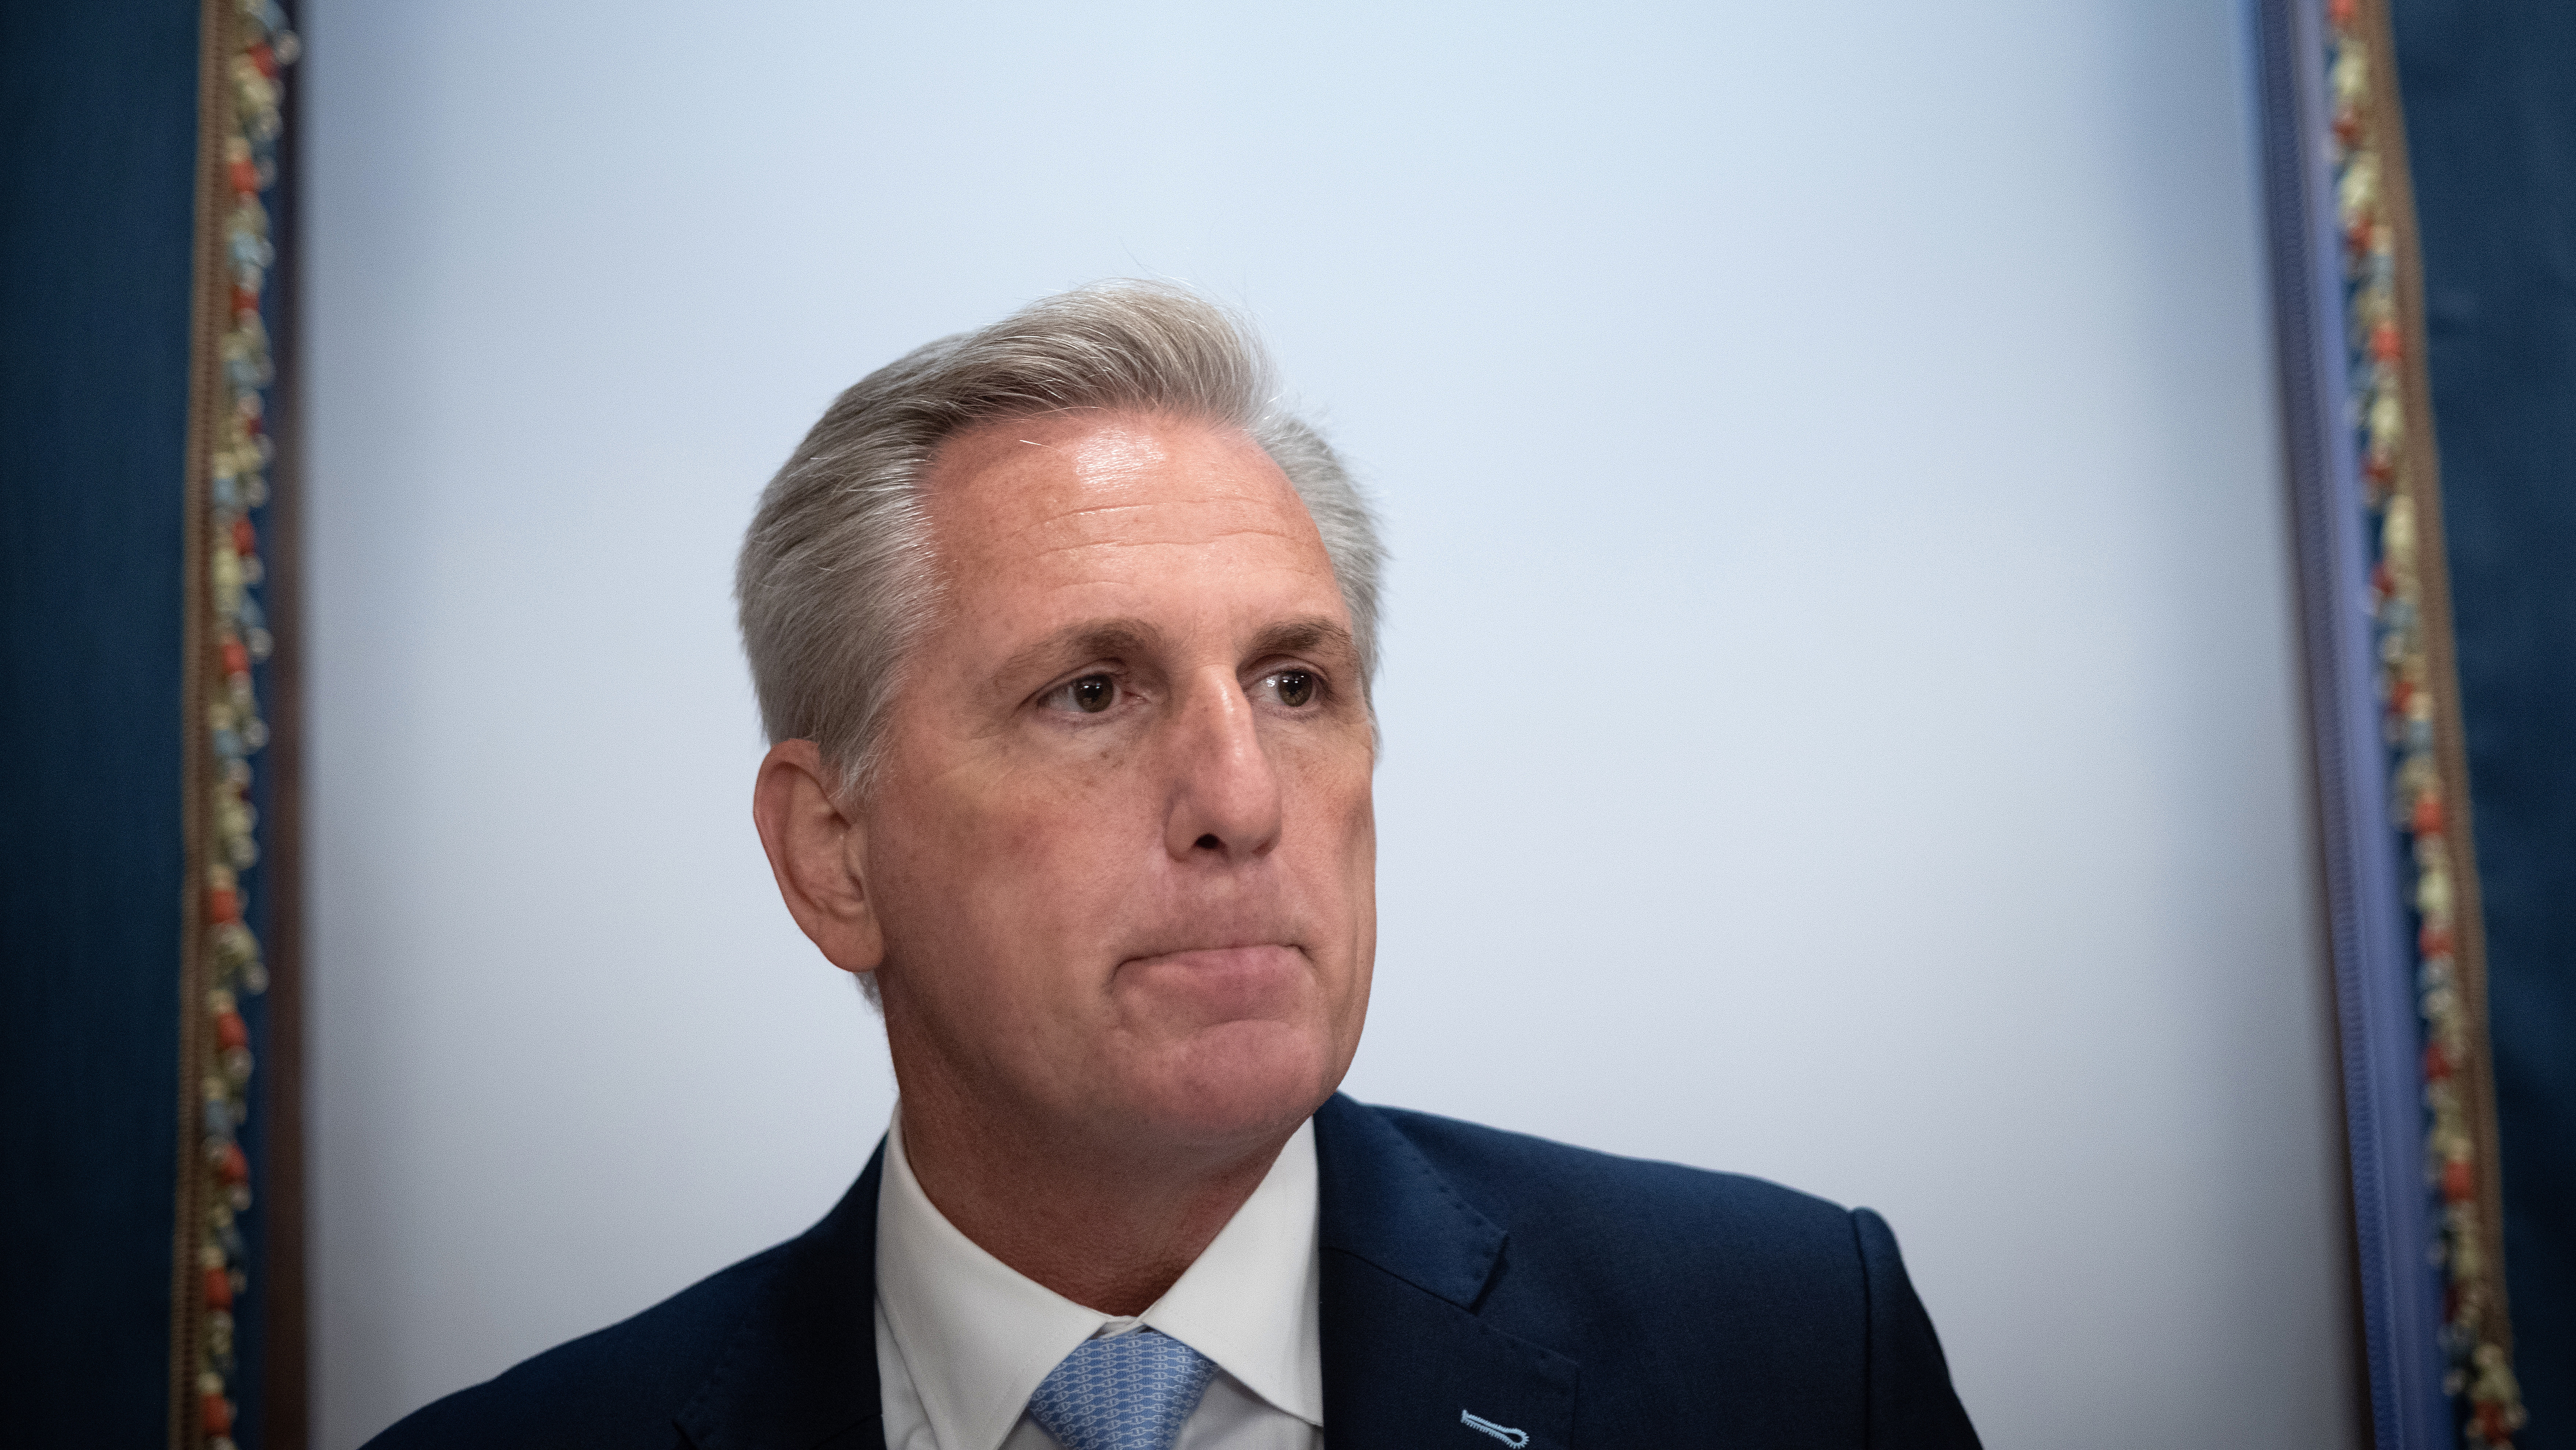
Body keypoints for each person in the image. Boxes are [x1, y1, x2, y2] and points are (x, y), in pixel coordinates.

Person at [370, 282, 1980, 1450]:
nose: (1240, 799)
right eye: (1091, 691)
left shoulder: (1786, 1352)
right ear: (833, 849)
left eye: (1296, 684)